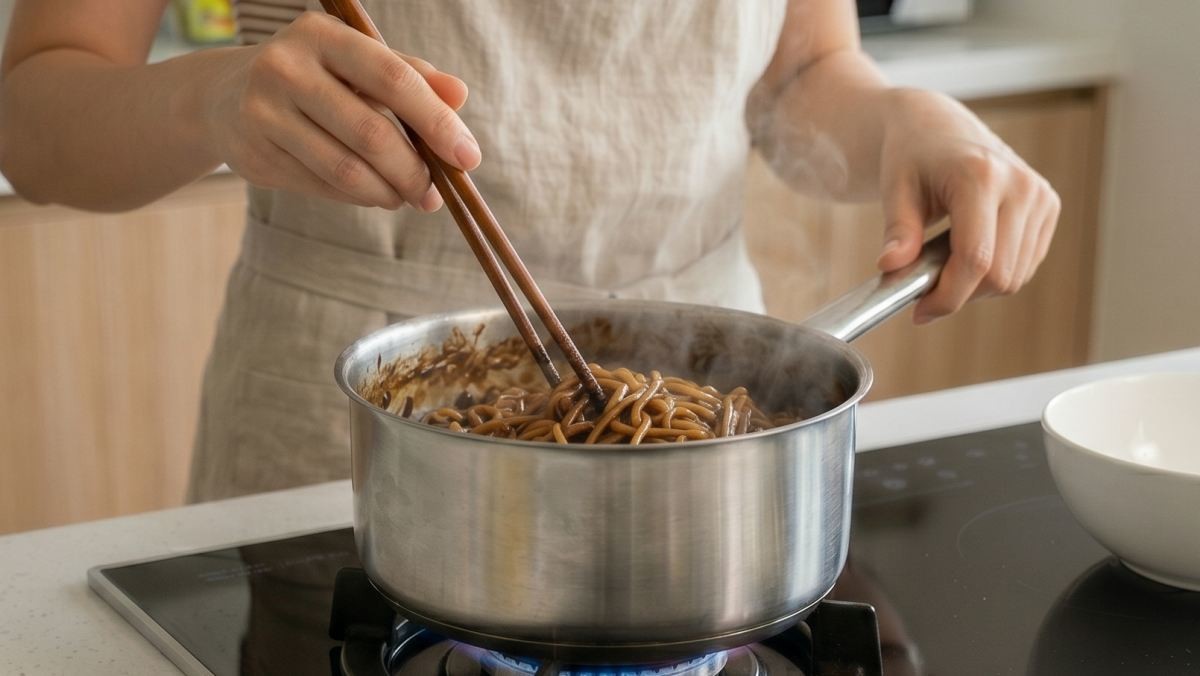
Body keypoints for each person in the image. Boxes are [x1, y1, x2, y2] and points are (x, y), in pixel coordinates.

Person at [0, 1, 1060, 502]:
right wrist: (213, 102)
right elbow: (37, 111)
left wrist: (909, 120)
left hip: (704, 430)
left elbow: (802, 70)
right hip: (354, 447)